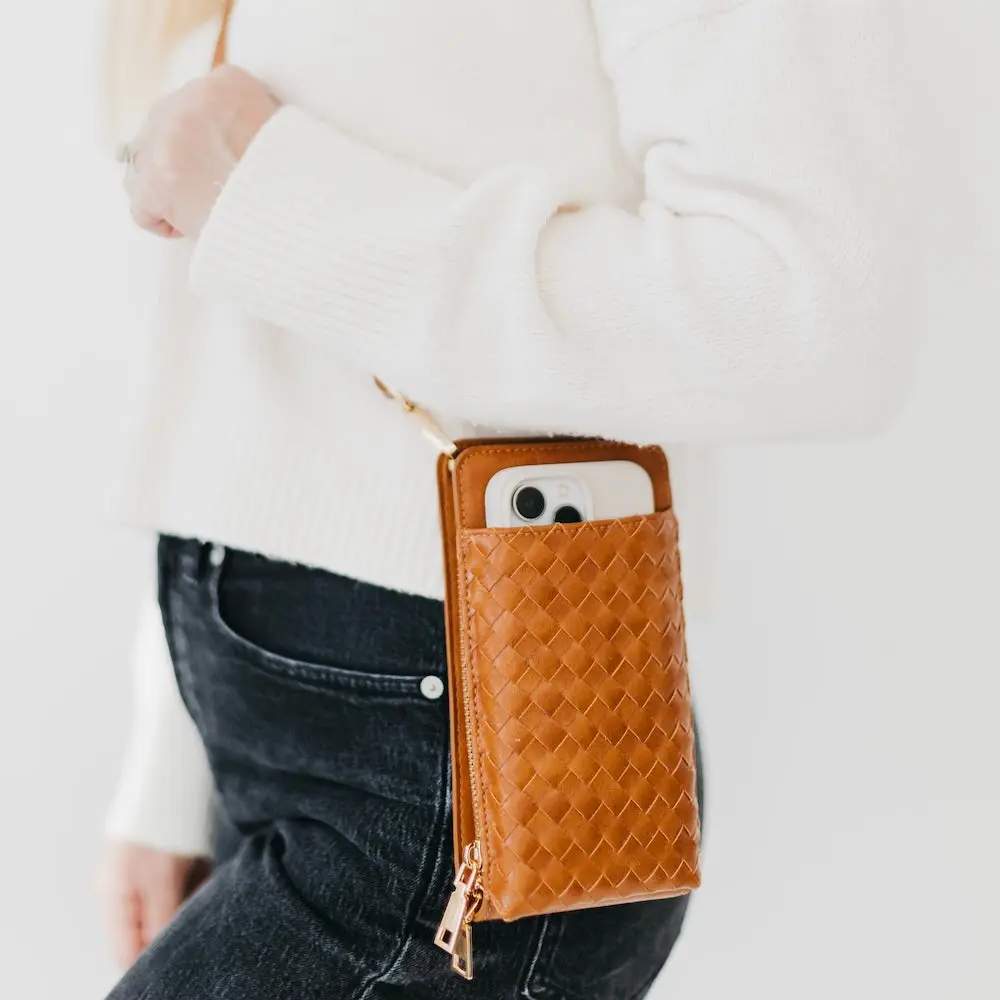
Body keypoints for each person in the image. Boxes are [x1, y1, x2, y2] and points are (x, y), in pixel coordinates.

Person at [97, 1, 913, 997]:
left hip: (478, 761)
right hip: (264, 720)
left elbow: (811, 310)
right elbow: (242, 376)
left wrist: (283, 209)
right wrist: (168, 771)